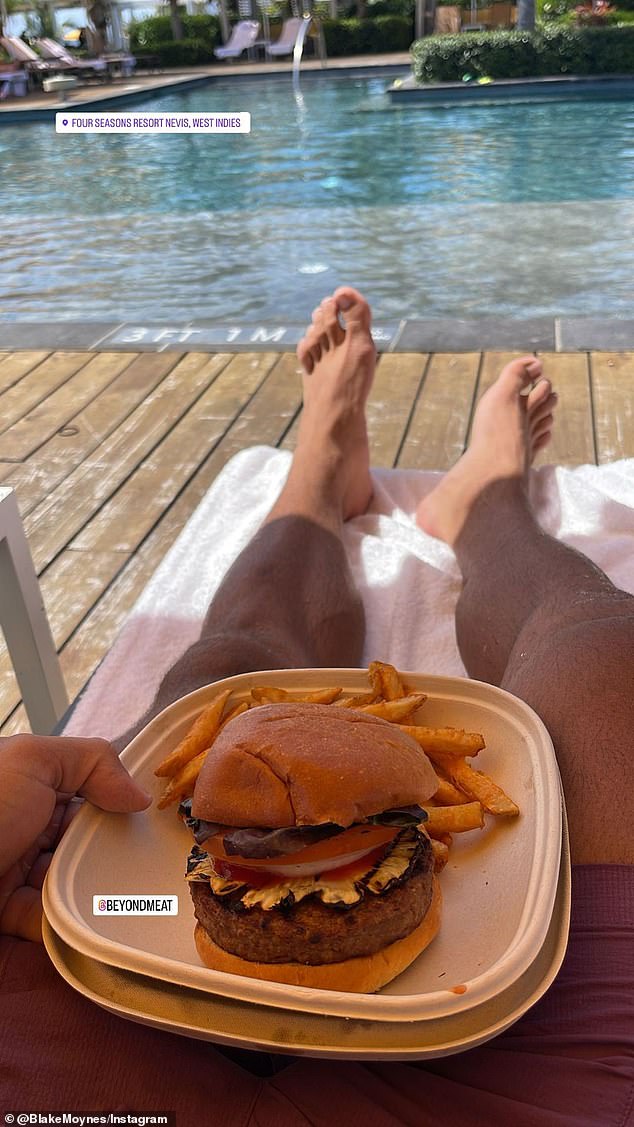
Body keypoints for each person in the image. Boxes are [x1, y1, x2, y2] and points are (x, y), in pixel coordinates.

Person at [0, 288, 632, 1124]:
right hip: (518, 1074)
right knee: (597, 646)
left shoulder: (138, 904)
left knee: (225, 669)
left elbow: (168, 894)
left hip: (104, 949)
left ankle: (320, 481)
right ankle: (485, 503)